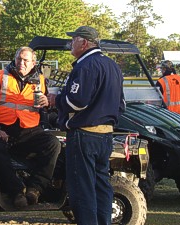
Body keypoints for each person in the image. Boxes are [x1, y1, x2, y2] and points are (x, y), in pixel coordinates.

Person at [51, 26, 125, 225]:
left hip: (84, 134)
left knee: (81, 188)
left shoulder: (86, 65)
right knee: (101, 185)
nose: (70, 43)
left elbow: (77, 101)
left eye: (73, 39)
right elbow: (121, 105)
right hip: (106, 134)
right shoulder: (113, 66)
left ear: (84, 42)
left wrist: (55, 100)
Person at [0, 46, 61, 208]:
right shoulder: (0, 77)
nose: (21, 63)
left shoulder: (41, 80)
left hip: (29, 131)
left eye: (26, 60)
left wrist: (47, 104)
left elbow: (49, 110)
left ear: (33, 63)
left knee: (53, 144)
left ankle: (35, 189)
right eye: (19, 59)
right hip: (2, 129)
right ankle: (16, 191)